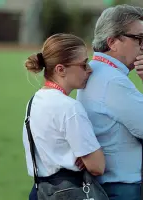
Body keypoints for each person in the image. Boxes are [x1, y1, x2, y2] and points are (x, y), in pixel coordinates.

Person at [76, 4, 143, 200]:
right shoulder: (112, 80)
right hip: (124, 190)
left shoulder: (97, 70)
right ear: (112, 42)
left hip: (111, 187)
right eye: (139, 39)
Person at [22, 33, 105, 200]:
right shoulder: (69, 107)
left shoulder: (34, 101)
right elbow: (97, 166)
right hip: (69, 192)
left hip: (40, 192)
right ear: (61, 69)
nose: (90, 69)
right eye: (83, 64)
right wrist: (85, 154)